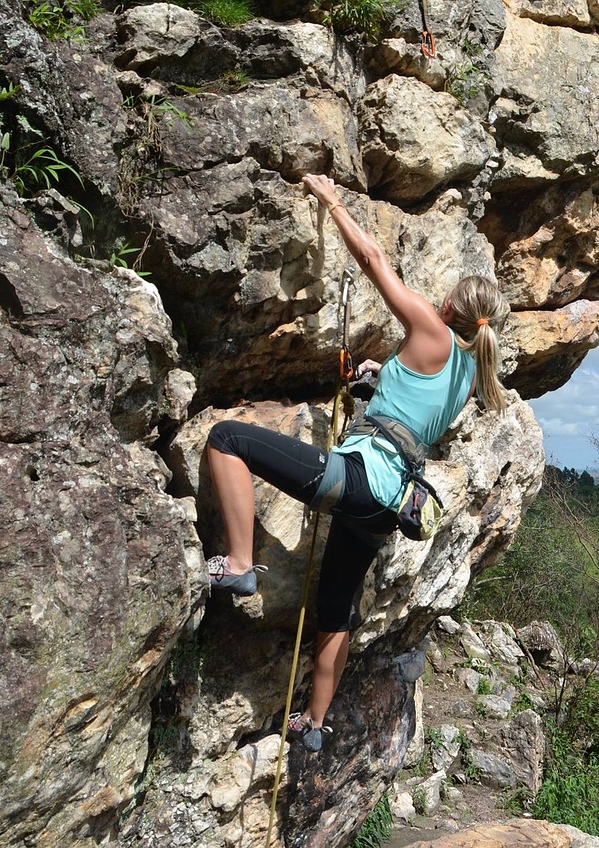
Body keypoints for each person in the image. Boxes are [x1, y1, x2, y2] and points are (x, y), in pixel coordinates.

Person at [203, 173, 511, 751]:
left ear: (451, 306)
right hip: (387, 507)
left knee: (227, 439)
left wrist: (333, 201)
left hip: (361, 478)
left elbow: (373, 260)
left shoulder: (431, 327)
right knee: (335, 611)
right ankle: (314, 724)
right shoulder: (468, 374)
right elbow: (410, 410)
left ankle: (240, 563)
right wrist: (376, 379)